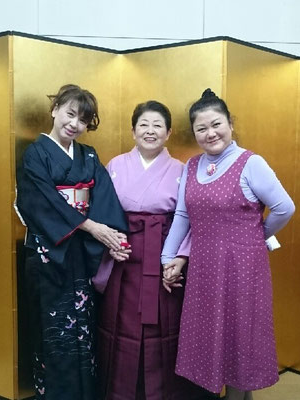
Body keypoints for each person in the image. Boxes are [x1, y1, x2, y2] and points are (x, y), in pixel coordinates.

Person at [160, 89, 296, 400]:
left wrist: (256, 235)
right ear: (194, 133)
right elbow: (183, 214)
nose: (210, 133)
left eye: (216, 124)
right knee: (213, 335)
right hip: (204, 268)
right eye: (201, 128)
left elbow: (285, 208)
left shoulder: (251, 163)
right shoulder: (192, 165)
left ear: (230, 124)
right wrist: (167, 257)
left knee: (240, 336)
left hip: (243, 268)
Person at [15, 84, 129, 400]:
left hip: (80, 251)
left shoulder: (88, 155)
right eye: (70, 113)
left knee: (84, 324)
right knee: (53, 328)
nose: (74, 124)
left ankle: (83, 392)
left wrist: (113, 237)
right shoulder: (35, 154)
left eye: (83, 120)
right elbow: (40, 201)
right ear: (55, 110)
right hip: (48, 251)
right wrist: (91, 227)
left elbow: (104, 196)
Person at [95, 101, 206, 400]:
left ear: (168, 133)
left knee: (164, 321)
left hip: (165, 253)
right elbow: (102, 210)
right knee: (120, 319)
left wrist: (179, 258)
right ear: (133, 131)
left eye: (158, 125)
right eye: (143, 124)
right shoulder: (116, 165)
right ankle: (119, 392)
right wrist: (110, 242)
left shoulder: (182, 170)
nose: (150, 131)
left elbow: (191, 218)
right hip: (123, 253)